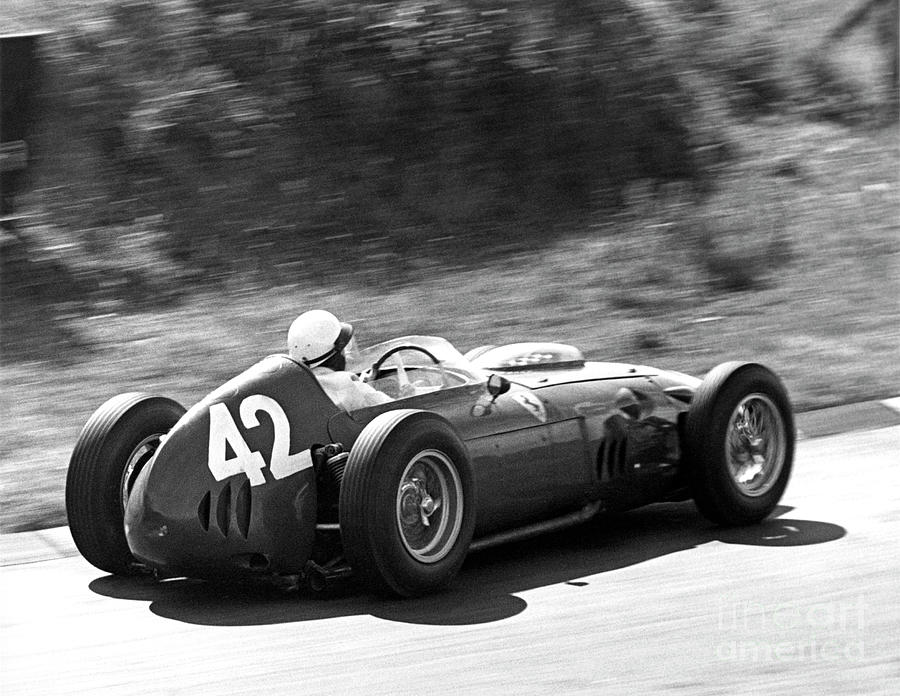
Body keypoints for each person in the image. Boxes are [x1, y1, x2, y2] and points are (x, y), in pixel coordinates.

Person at [287, 310, 393, 411]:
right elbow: (397, 410)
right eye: (344, 348)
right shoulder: (352, 388)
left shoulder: (294, 390)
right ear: (335, 352)